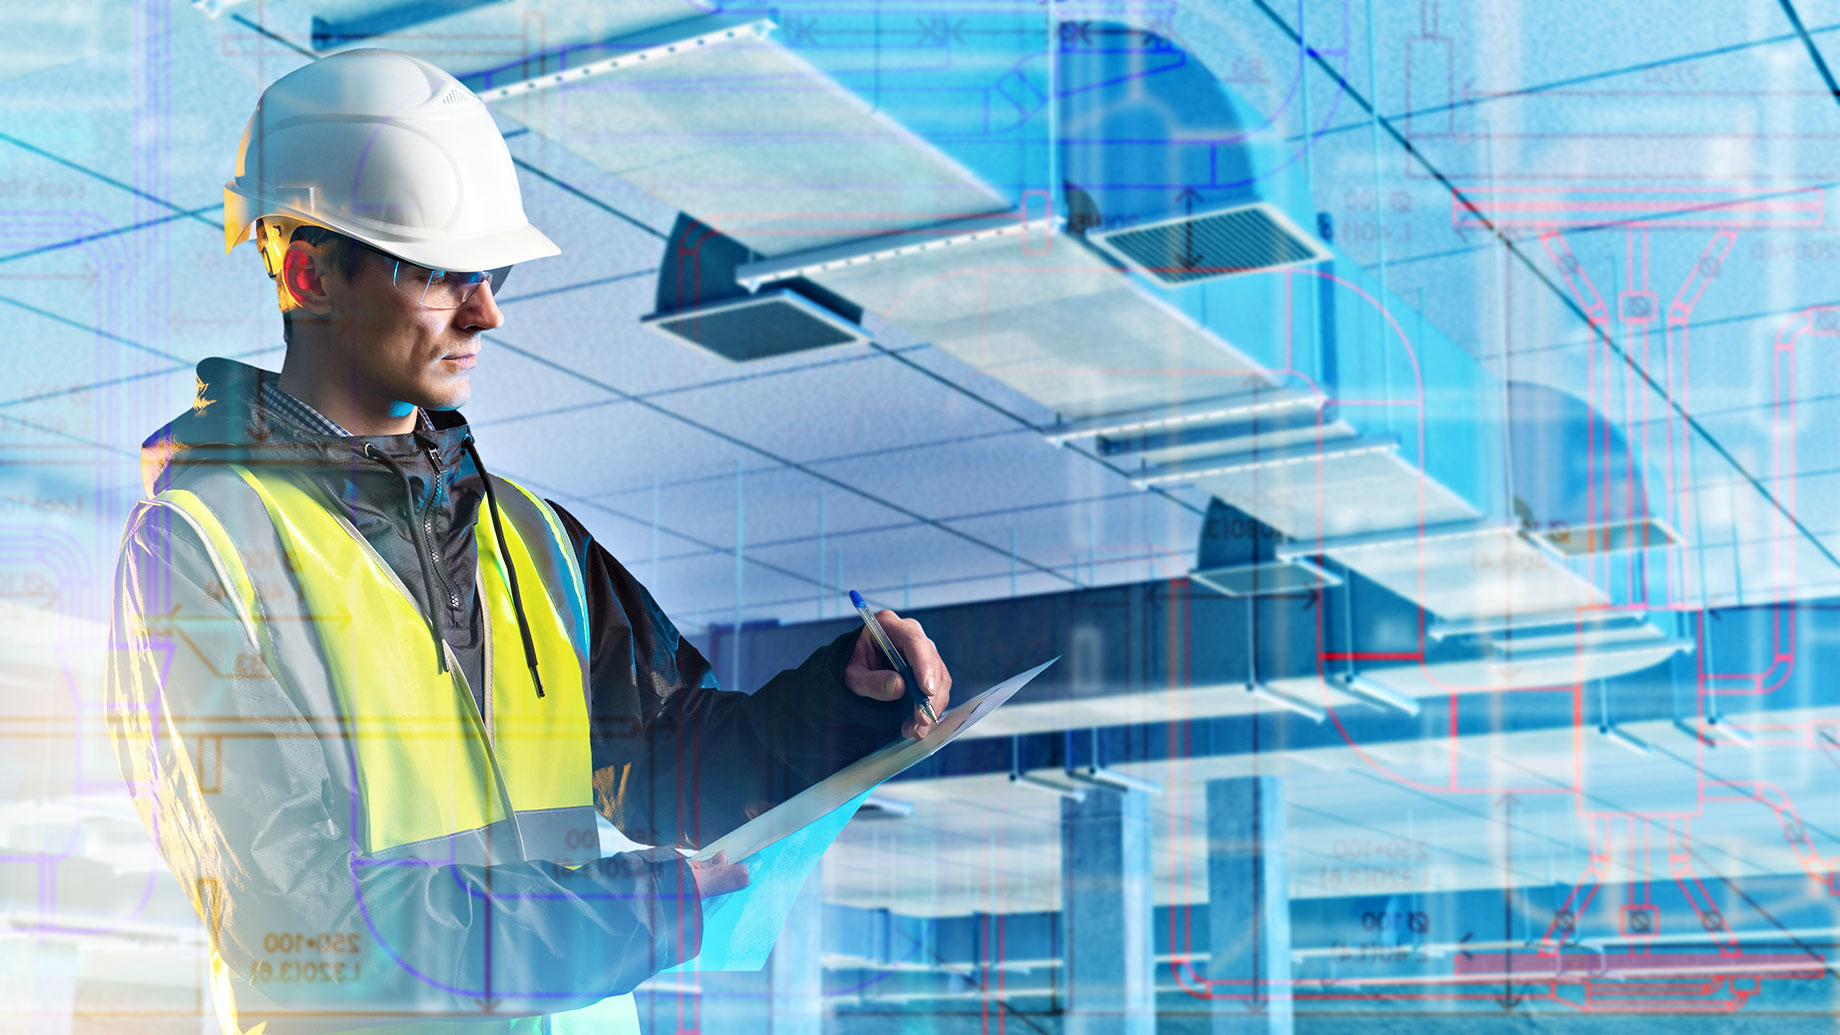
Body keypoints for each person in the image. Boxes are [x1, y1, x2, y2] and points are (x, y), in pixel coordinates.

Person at [104, 48, 952, 1035]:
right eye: (440, 273)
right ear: (310, 273)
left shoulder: (531, 537)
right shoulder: (200, 550)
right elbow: (304, 929)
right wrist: (639, 911)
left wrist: (841, 705)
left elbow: (671, 769)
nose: (487, 311)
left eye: (490, 273)